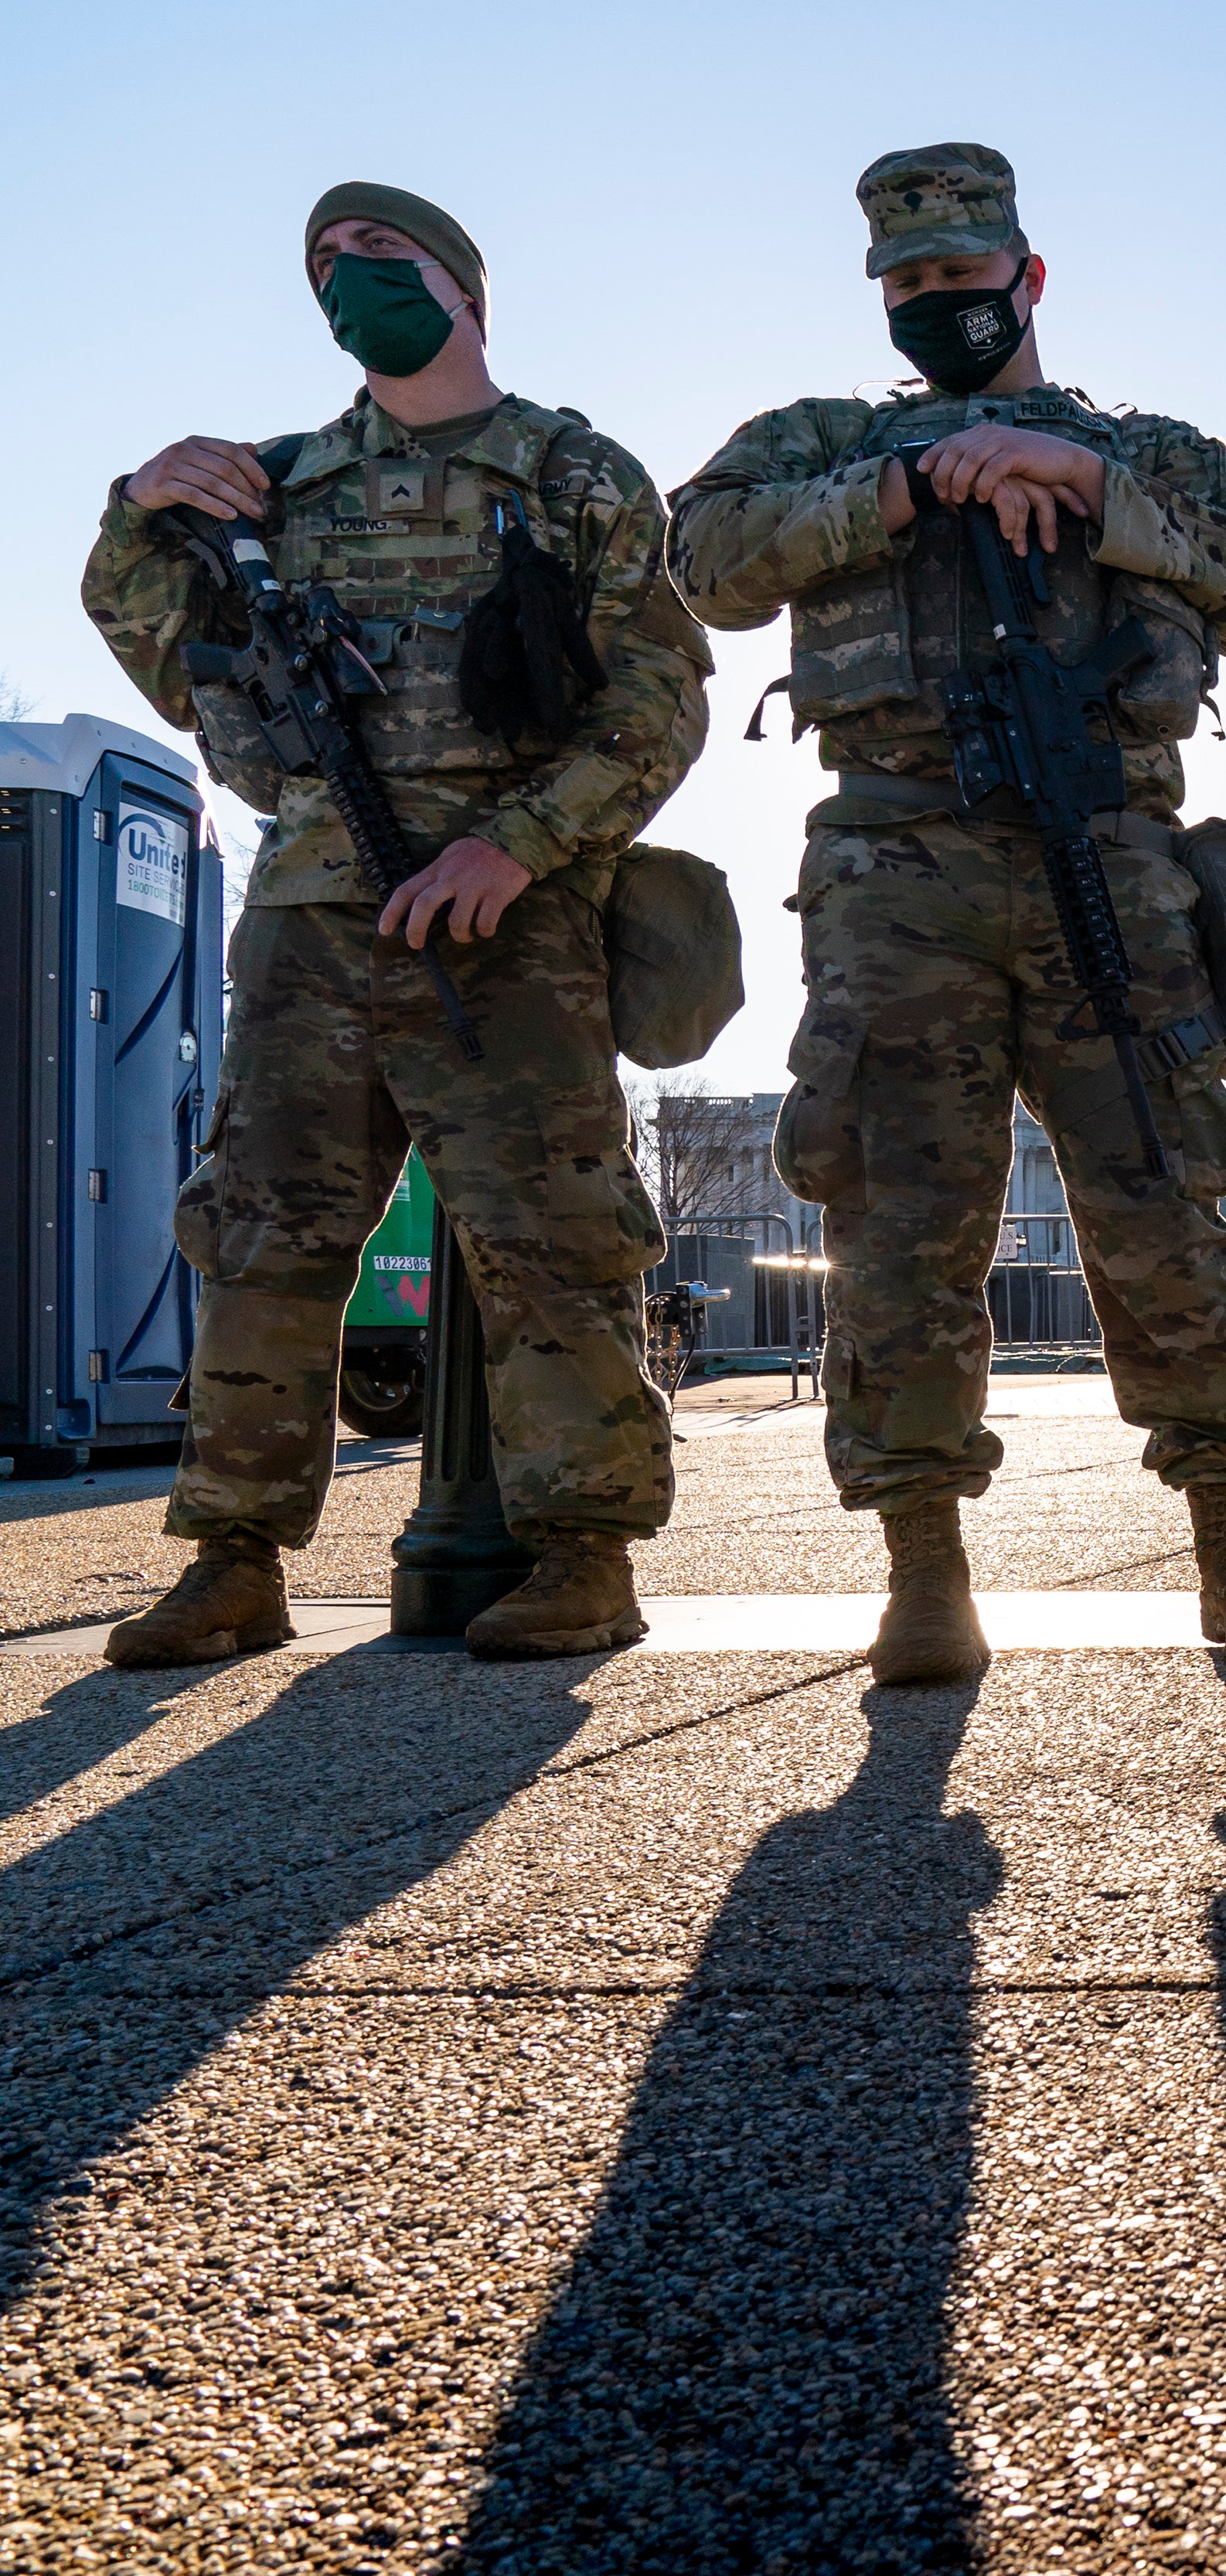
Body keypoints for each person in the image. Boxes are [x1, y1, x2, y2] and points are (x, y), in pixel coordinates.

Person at [669, 143, 1226, 1683]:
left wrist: (1091, 490)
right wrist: (903, 489)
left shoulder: (1148, 450)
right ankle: (924, 1572)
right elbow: (705, 560)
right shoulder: (819, 443)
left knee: (1159, 1198)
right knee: (901, 1222)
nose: (936, 300)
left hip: (1109, 855)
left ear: (1028, 278)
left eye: (962, 275)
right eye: (908, 281)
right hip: (899, 865)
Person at [84, 182, 710, 1666]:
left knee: (550, 1228)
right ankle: (234, 1560)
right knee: (262, 1230)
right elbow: (165, 649)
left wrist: (518, 843)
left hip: (510, 912)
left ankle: (586, 1554)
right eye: (324, 263)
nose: (346, 276)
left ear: (462, 284)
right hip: (315, 907)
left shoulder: (572, 473)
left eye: (379, 252)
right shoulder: (276, 486)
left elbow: (658, 703)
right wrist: (138, 504)